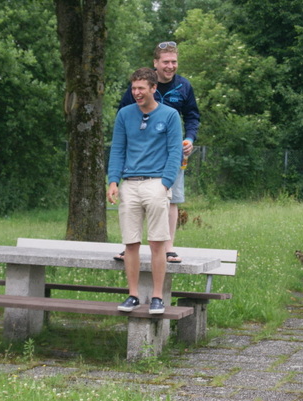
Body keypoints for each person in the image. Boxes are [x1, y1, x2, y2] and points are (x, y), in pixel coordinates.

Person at [114, 41, 200, 264]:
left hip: (172, 152)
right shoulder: (141, 85)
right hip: (141, 155)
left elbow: (192, 116)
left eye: (174, 62)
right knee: (135, 200)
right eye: (166, 62)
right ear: (156, 63)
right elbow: (124, 114)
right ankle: (130, 247)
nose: (170, 66)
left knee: (171, 199)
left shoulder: (184, 86)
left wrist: (189, 138)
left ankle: (168, 248)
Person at [107, 68, 183, 314]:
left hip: (156, 182)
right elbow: (117, 149)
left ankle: (157, 297)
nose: (136, 92)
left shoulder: (170, 115)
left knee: (157, 243)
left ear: (153, 88)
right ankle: (133, 295)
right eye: (134, 88)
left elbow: (175, 152)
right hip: (129, 184)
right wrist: (113, 181)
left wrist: (165, 184)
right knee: (131, 243)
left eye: (141, 88)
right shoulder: (124, 114)